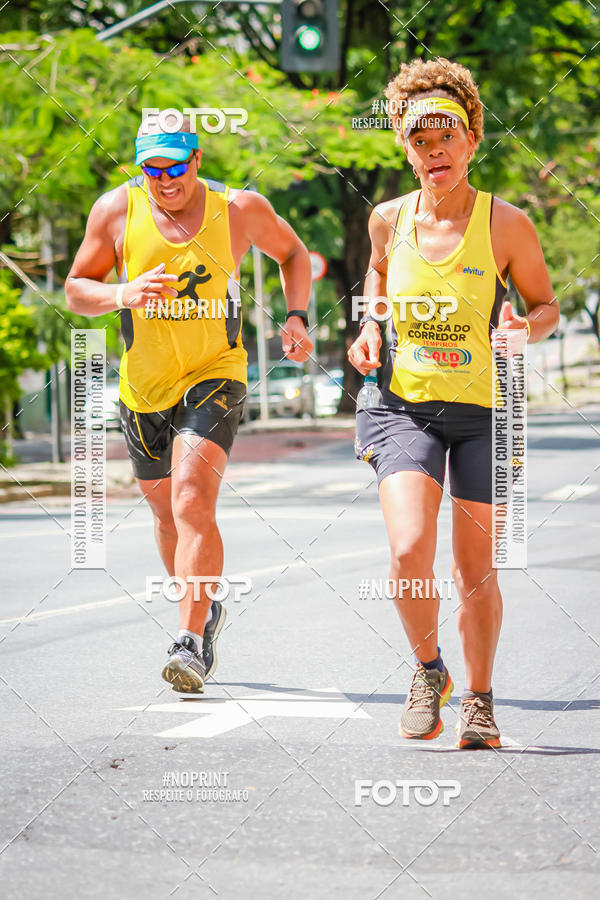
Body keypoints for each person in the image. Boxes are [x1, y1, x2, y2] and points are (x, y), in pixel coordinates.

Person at [348, 58, 559, 748]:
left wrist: (524, 329)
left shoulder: (506, 224)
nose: (433, 151)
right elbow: (377, 277)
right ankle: (428, 669)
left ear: (471, 139)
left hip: (486, 417)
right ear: (405, 147)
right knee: (410, 550)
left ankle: (479, 699)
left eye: (446, 137)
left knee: (474, 571)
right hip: (403, 406)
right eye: (419, 140)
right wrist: (370, 326)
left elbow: (546, 305)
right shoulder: (388, 220)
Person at [66, 111, 313, 693]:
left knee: (190, 498)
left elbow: (294, 254)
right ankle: (205, 612)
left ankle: (188, 642)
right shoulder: (115, 210)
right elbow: (78, 288)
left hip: (215, 373)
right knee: (165, 516)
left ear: (197, 160)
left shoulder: (239, 208)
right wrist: (123, 292)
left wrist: (297, 316)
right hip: (143, 388)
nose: (164, 179)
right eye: (152, 169)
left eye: (175, 167)